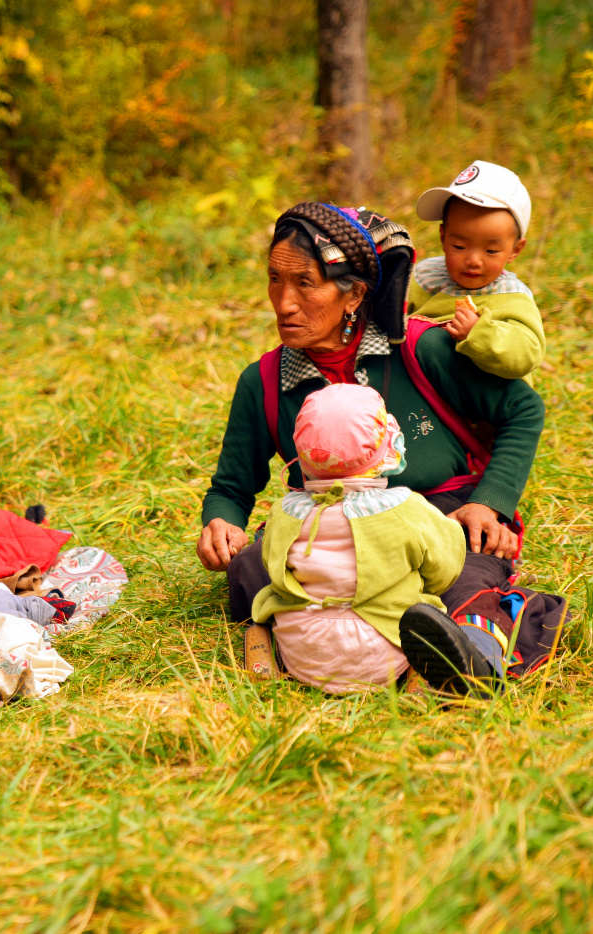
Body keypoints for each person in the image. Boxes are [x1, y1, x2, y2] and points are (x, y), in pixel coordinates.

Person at [198, 202, 567, 694]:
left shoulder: (422, 349)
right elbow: (232, 485)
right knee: (250, 566)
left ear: (354, 295)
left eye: (305, 284)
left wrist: (490, 503)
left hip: (440, 514)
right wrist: (222, 521)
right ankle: (335, 638)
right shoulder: (264, 381)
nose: (284, 303)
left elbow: (524, 410)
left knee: (462, 573)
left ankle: (474, 653)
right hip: (324, 522)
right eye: (274, 280)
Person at [251, 383, 468, 694]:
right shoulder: (405, 508)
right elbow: (446, 569)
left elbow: (272, 567)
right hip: (384, 650)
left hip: (305, 656)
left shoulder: (284, 512)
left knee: (260, 618)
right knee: (430, 618)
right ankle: (419, 679)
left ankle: (262, 666)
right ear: (389, 448)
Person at [408, 160, 544, 381]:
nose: (473, 261)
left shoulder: (512, 298)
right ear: (443, 237)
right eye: (459, 247)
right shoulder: (421, 278)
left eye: (491, 250)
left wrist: (479, 334)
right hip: (424, 387)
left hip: (485, 400)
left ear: (515, 250)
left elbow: (527, 354)